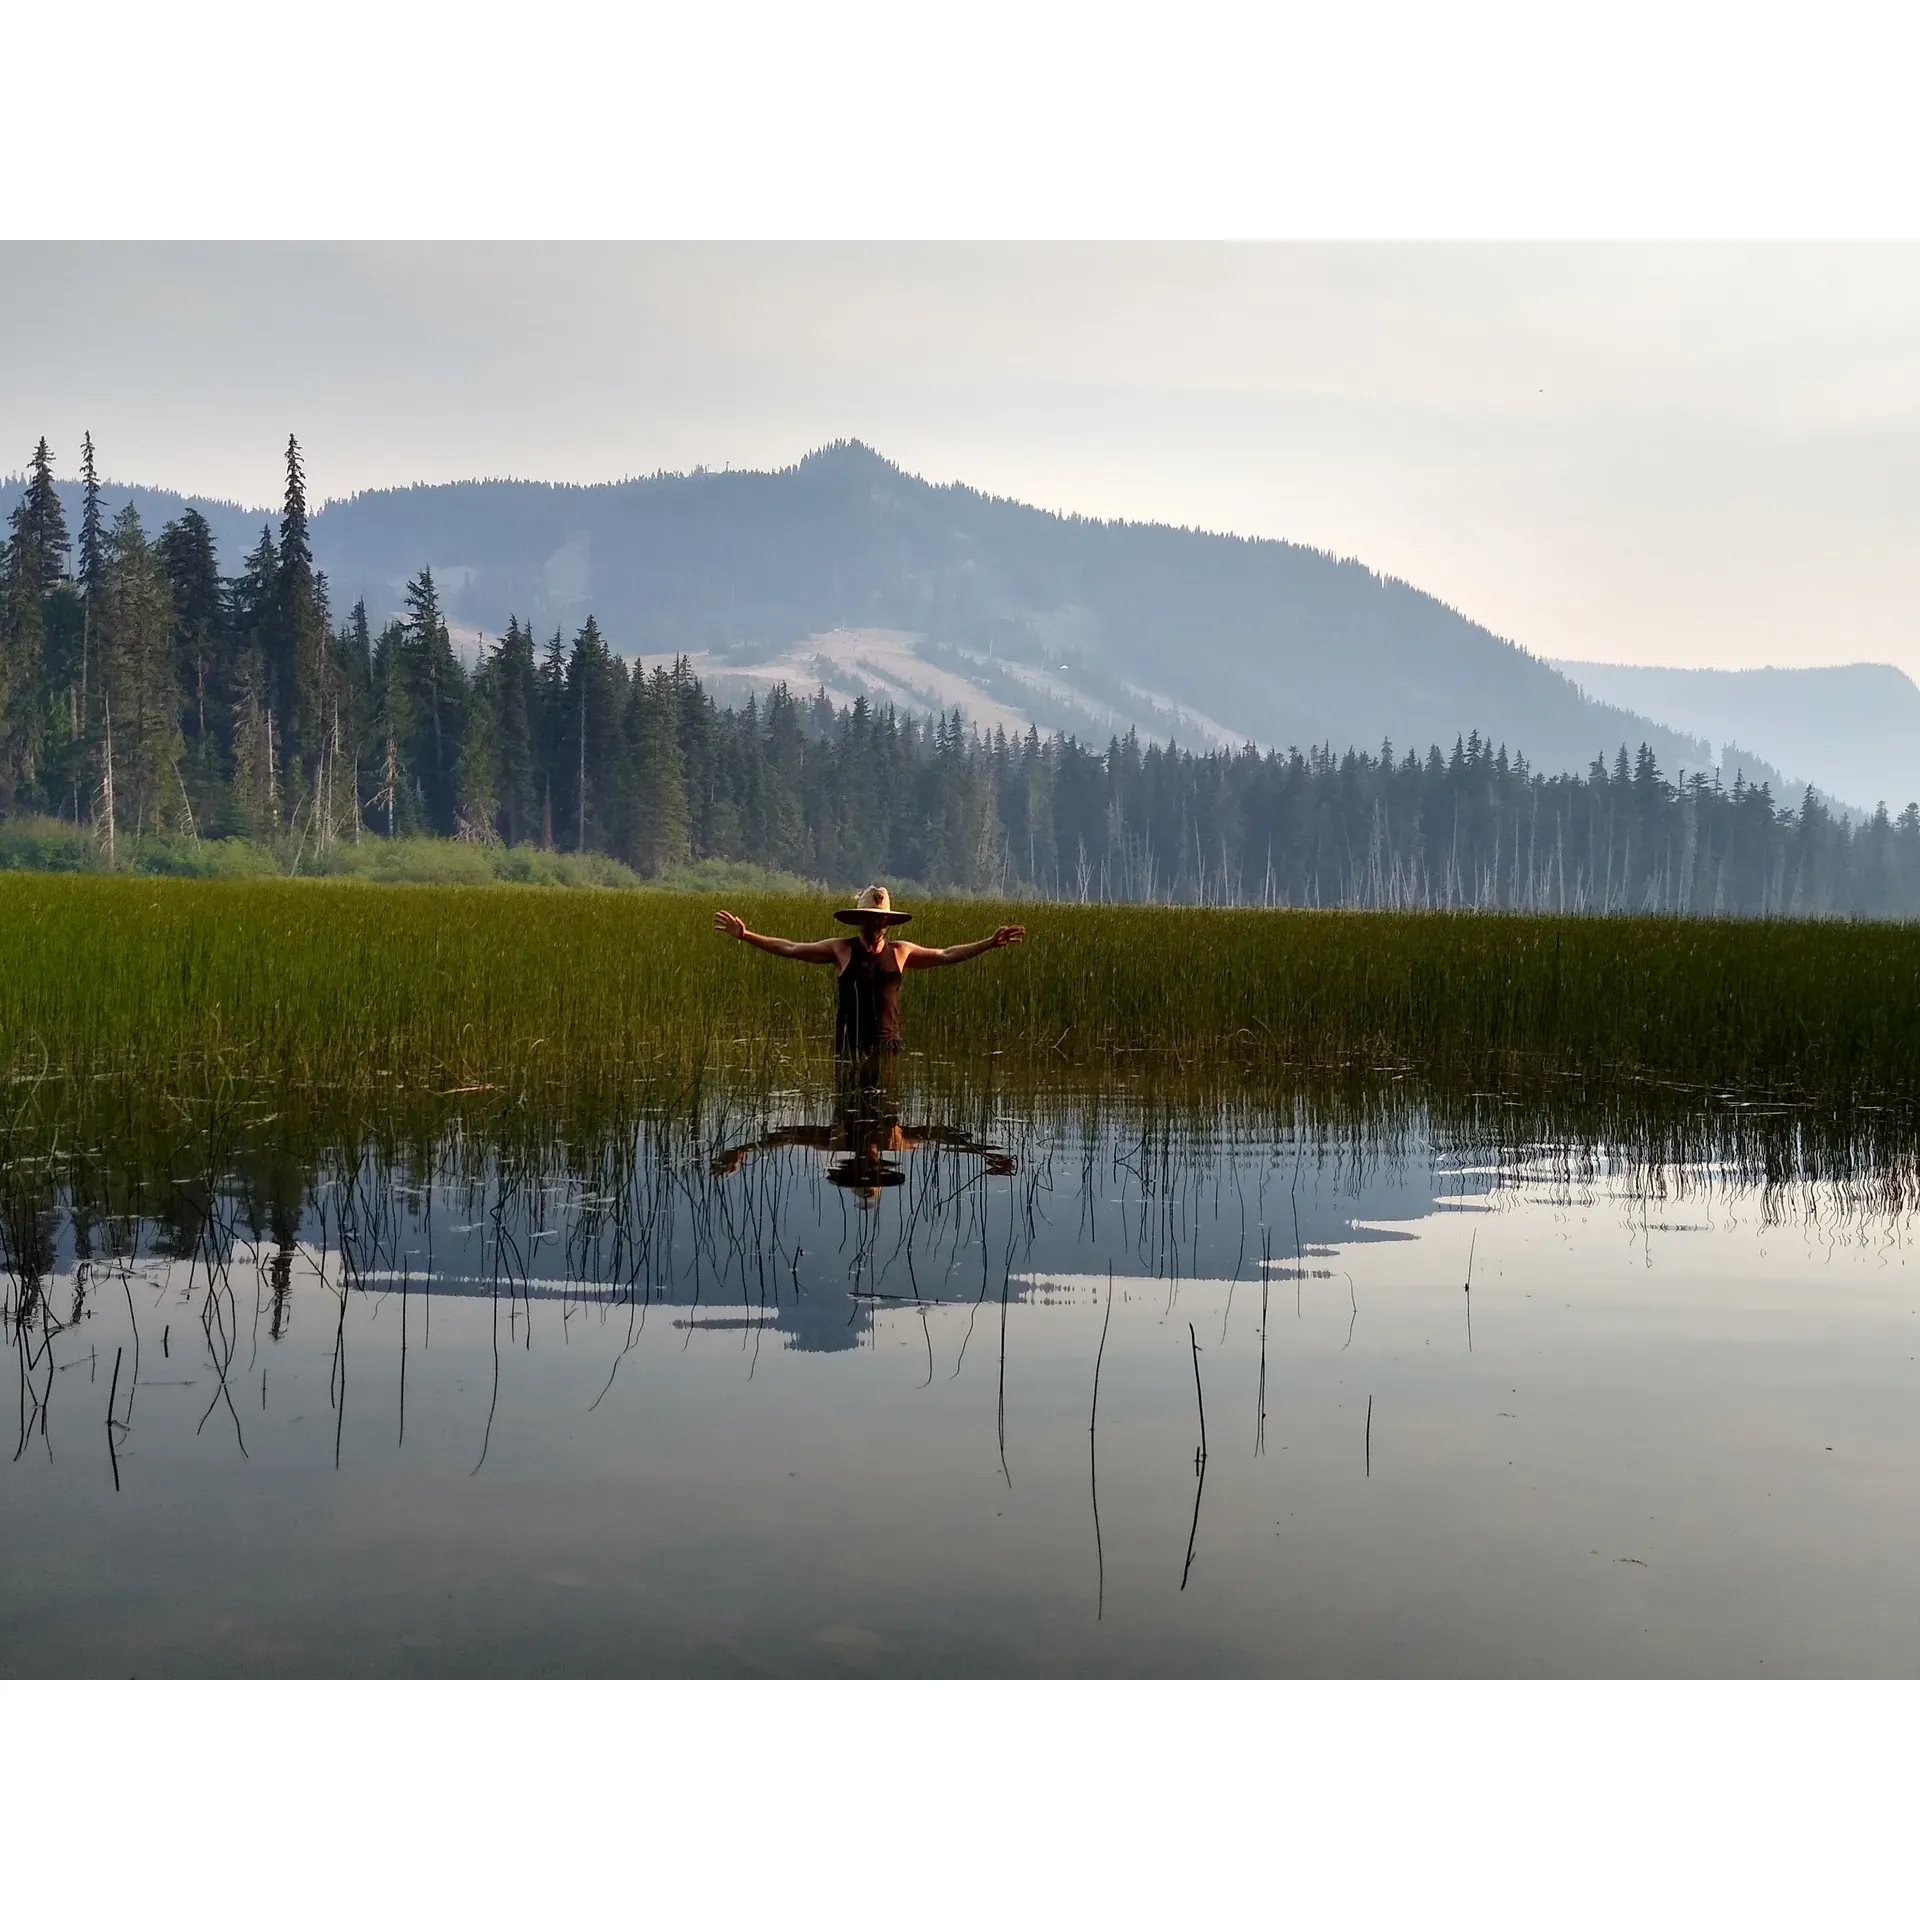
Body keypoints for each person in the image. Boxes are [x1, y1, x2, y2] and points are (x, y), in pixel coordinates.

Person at [713, 885, 1024, 1054]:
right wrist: (747, 935)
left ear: (887, 921)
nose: (874, 923)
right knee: (850, 1124)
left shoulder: (902, 951)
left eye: (879, 918)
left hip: (888, 1046)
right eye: (868, 917)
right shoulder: (841, 949)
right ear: (858, 919)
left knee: (887, 1128)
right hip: (849, 1047)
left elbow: (946, 955)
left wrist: (989, 943)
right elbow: (791, 948)